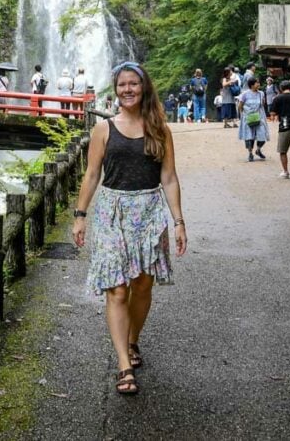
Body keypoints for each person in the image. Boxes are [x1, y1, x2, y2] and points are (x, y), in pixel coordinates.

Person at [71, 61, 187, 396]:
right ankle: (124, 364)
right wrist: (80, 215)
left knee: (142, 284)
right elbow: (92, 175)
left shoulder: (159, 129)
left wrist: (178, 221)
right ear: (116, 89)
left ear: (144, 86)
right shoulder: (104, 129)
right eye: (122, 85)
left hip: (149, 211)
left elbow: (169, 177)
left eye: (133, 84)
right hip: (112, 212)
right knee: (118, 288)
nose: (128, 90)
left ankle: (133, 340)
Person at [237, 77, 269, 161]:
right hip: (248, 117)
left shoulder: (261, 93)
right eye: (257, 83)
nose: (258, 84)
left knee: (262, 134)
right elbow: (240, 106)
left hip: (259, 116)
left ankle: (258, 150)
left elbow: (262, 105)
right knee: (249, 136)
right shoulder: (245, 94)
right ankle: (250, 153)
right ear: (251, 85)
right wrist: (244, 115)